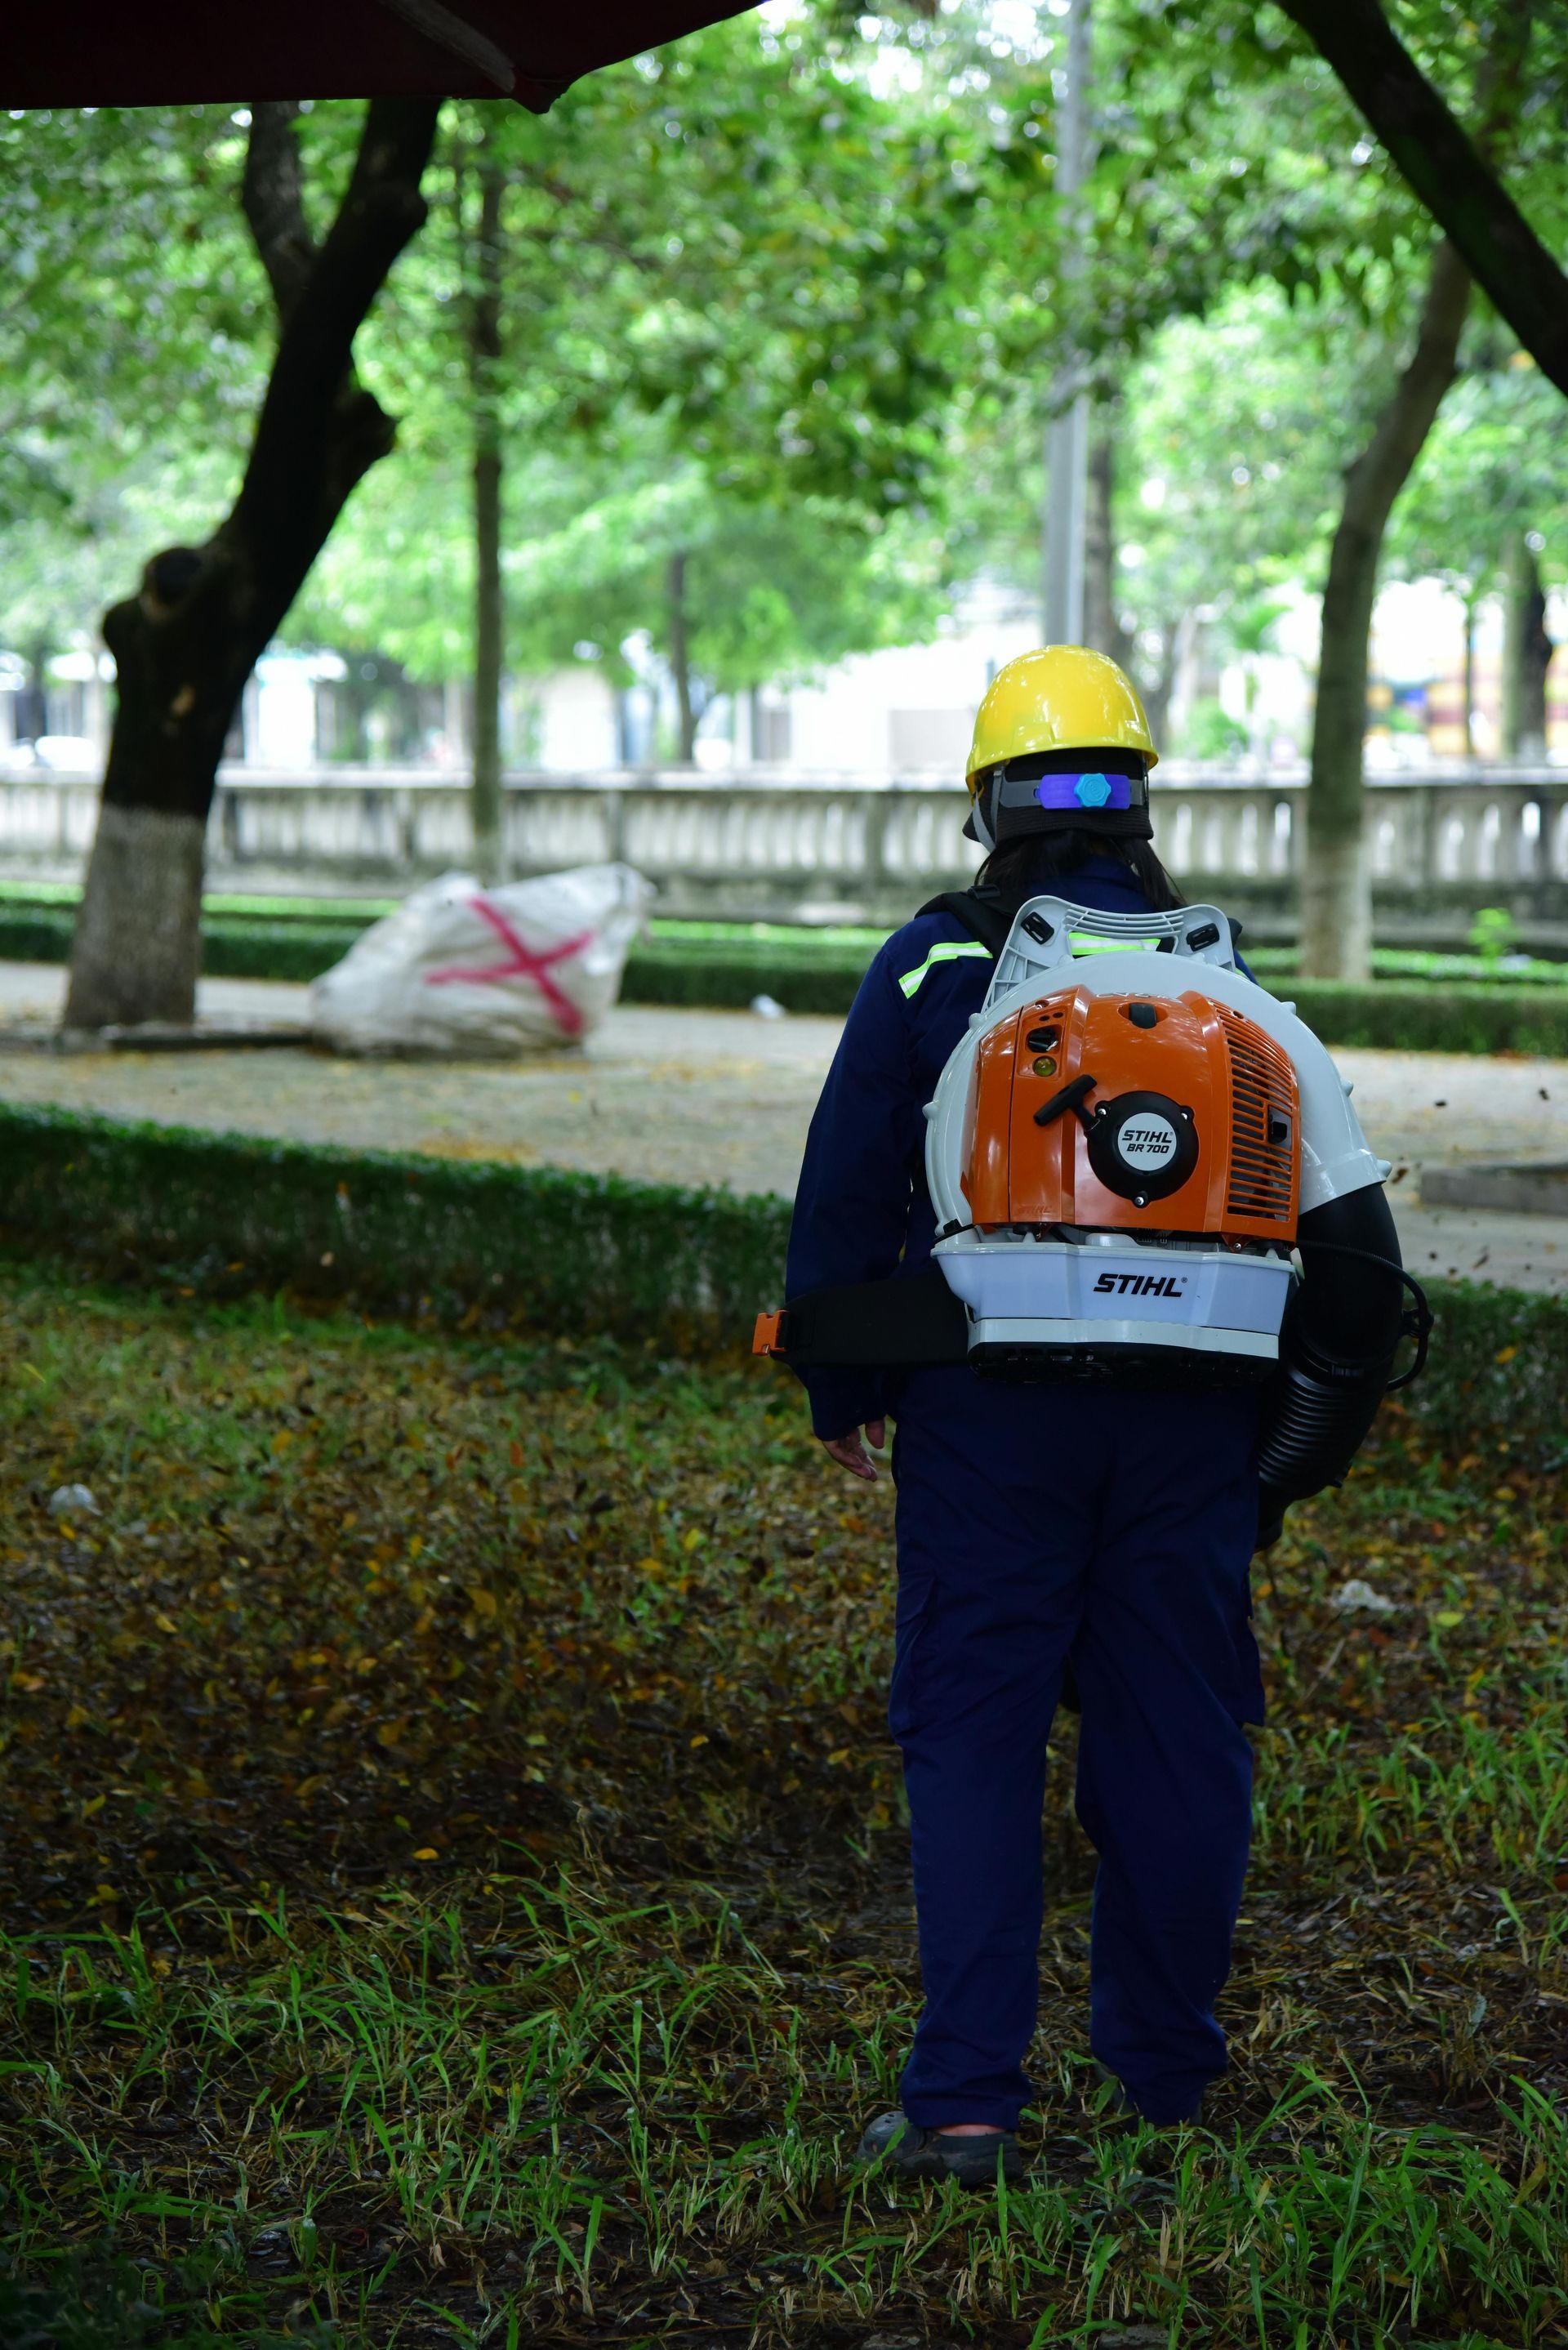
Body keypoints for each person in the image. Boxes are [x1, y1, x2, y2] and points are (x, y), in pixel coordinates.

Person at [782, 646, 1406, 2184]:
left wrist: (845, 1383)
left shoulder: (933, 967)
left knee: (976, 1735)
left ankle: (969, 2107)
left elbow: (848, 1192)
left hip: (988, 1414)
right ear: (1139, 802)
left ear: (985, 803)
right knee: (1182, 1736)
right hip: (1196, 1421)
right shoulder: (1232, 986)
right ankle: (1165, 2094)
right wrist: (1282, 1458)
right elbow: (1361, 1272)